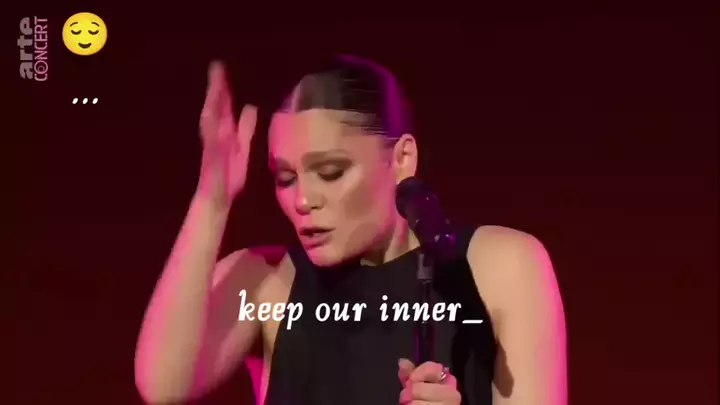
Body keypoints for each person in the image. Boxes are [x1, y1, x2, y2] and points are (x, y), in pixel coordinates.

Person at [133, 55, 567, 405]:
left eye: (331, 172)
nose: (303, 200)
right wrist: (211, 202)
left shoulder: (499, 267)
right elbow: (163, 385)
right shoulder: (266, 281)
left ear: (402, 158)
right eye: (285, 178)